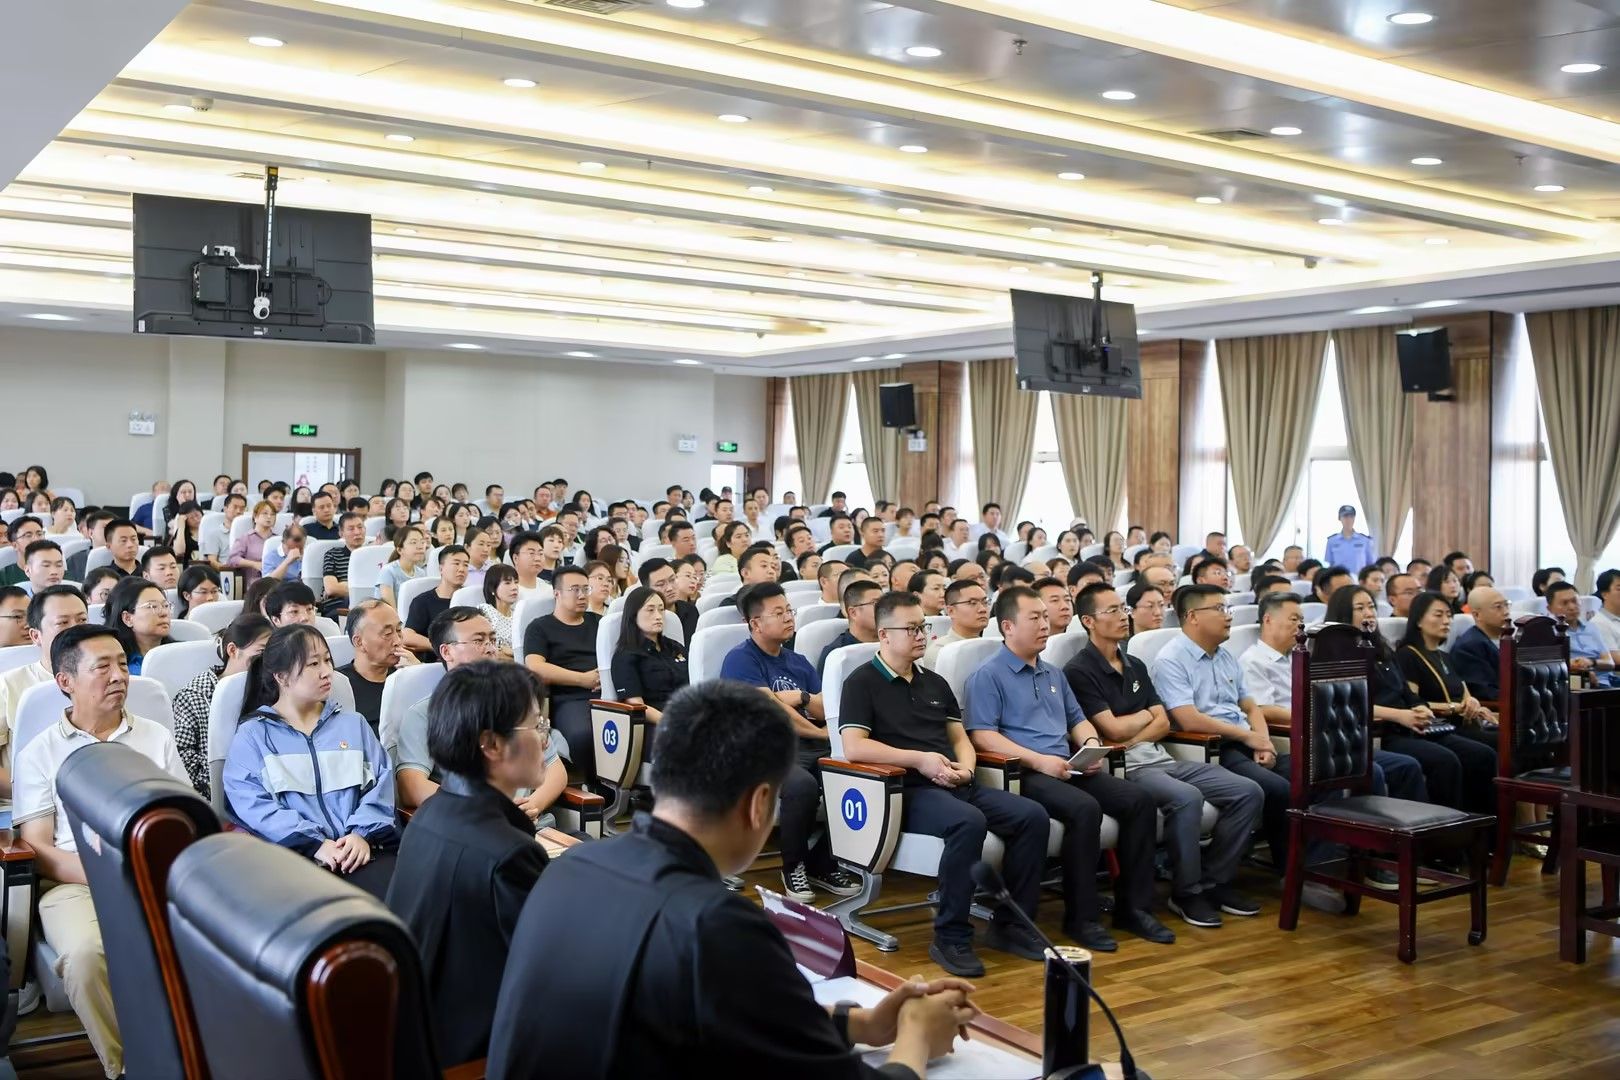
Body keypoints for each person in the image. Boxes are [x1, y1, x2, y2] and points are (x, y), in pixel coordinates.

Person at [486, 680, 975, 1079]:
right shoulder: (718, 925)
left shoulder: (569, 868)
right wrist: (915, 1037)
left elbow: (724, 1011)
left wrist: (862, 1023)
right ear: (761, 803)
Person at [839, 591, 1051, 975]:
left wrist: (967, 770)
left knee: (1032, 816)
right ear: (884, 635)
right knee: (967, 822)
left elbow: (959, 739)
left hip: (955, 782)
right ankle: (951, 937)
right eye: (912, 628)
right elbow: (854, 747)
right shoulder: (861, 682)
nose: (922, 635)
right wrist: (919, 760)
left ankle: (1012, 925)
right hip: (905, 791)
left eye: (924, 627)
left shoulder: (934, 682)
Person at [14, 625, 189, 1078]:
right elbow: (37, 845)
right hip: (74, 882)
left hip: (157, 876)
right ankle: (131, 1068)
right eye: (102, 667)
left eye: (121, 664)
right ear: (65, 682)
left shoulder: (155, 738)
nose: (119, 676)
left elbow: (185, 820)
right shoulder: (40, 752)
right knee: (86, 956)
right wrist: (107, 873)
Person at [964, 585, 1170, 951]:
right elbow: (983, 737)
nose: (1045, 625)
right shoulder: (988, 675)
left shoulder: (1053, 674)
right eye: (1035, 618)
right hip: (1023, 772)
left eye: (1046, 617)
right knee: (1083, 809)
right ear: (1007, 626)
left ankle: (1133, 908)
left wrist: (1090, 745)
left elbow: (1079, 721)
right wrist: (1040, 760)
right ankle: (1081, 918)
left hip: (1068, 766)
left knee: (1139, 801)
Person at [386, 661, 553, 1067]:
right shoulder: (510, 852)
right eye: (536, 727)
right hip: (471, 1053)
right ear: (492, 745)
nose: (545, 741)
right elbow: (544, 976)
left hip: (415, 1030)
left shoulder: (430, 813)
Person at [1066, 583, 1262, 930]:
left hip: (1160, 756)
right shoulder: (1079, 670)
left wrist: (1136, 729)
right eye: (1111, 611)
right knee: (1187, 798)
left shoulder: (1137, 664)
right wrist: (1142, 723)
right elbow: (1108, 728)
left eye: (1122, 609)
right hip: (1127, 766)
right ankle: (1186, 892)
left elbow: (1162, 722)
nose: (1122, 616)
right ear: (1088, 621)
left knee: (1248, 792)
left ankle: (1215, 882)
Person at [224, 623, 396, 898]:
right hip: (293, 860)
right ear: (281, 676)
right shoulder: (253, 735)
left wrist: (361, 834)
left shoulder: (353, 725)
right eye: (313, 664)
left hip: (361, 853)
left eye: (327, 660)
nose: (327, 671)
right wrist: (315, 843)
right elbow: (252, 804)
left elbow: (381, 783)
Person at [718, 582, 861, 901]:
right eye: (778, 613)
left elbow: (825, 705)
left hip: (810, 745)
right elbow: (772, 712)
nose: (788, 618)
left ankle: (821, 862)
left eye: (789, 611)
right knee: (802, 786)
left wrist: (801, 697)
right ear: (755, 623)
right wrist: (820, 732)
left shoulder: (798, 661)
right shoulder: (740, 659)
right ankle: (793, 866)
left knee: (858, 779)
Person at [1151, 584, 1298, 871]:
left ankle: (1307, 863)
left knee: (1310, 774)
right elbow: (1188, 719)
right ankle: (1288, 870)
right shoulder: (1171, 660)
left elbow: (1251, 707)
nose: (1228, 616)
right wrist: (1250, 737)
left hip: (1244, 740)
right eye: (1220, 609)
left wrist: (1263, 742)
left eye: (1228, 608)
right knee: (1277, 789)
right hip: (1213, 748)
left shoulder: (1224, 655)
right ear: (1193, 616)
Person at [1325, 585, 1496, 813]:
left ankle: (1478, 834)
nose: (1369, 612)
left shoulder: (1383, 650)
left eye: (1371, 606)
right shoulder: (1336, 655)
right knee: (1444, 761)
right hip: (1381, 733)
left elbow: (1408, 693)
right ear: (1343, 614)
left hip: (1413, 726)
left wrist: (1420, 707)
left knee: (1481, 754)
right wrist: (1401, 715)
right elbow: (1351, 705)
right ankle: (1439, 836)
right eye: (1360, 608)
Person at [0, 586, 88, 809]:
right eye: (63, 623)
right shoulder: (9, 685)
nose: (76, 631)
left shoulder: (113, 680)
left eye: (82, 620)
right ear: (35, 635)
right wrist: (47, 792)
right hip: (24, 807)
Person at [170, 615, 272, 796]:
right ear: (232, 650)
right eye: (262, 652)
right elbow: (184, 759)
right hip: (216, 794)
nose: (268, 661)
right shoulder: (194, 696)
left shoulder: (274, 690)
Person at [522, 565, 602, 772]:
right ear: (557, 593)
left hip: (607, 694)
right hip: (568, 698)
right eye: (575, 589)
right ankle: (595, 789)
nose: (582, 595)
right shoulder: (539, 627)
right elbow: (535, 667)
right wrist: (582, 679)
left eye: (586, 589)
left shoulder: (599, 622)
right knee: (584, 736)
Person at [1399, 592, 1500, 726]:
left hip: (1462, 724)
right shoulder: (1408, 655)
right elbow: (1412, 703)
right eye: (1438, 615)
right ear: (1418, 620)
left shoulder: (1445, 656)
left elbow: (1466, 697)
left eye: (1448, 615)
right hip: (1435, 726)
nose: (1446, 621)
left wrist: (1475, 705)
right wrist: (1453, 707)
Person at [611, 586, 690, 723]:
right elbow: (636, 704)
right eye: (650, 610)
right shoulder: (625, 655)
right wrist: (673, 723)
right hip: (655, 722)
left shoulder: (675, 647)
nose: (658, 616)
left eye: (661, 609)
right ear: (634, 615)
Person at [339, 599, 418, 730]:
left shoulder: (407, 676)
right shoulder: (338, 685)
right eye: (387, 634)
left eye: (399, 630)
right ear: (359, 642)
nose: (398, 641)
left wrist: (419, 675)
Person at [1548, 580, 1620, 687]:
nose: (1572, 607)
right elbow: (1552, 667)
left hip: (1608, 682)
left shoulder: (1592, 628)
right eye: (1564, 603)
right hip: (1576, 683)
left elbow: (1610, 663)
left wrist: (1592, 662)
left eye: (1575, 601)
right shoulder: (1549, 632)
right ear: (1550, 608)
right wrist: (1581, 672)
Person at [403, 545, 469, 658]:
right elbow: (407, 636)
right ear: (441, 568)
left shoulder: (470, 599)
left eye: (466, 565)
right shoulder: (423, 601)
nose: (462, 569)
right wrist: (441, 647)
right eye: (456, 563)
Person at [102, 576, 172, 675]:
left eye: (165, 605)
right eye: (152, 606)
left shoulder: (179, 653)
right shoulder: (115, 666)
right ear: (127, 618)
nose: (164, 613)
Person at [1452, 585, 1510, 700]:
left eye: (1507, 605)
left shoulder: (1509, 639)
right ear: (1477, 615)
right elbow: (1486, 693)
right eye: (1498, 607)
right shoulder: (1469, 647)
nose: (1506, 612)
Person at [818, 578, 882, 670]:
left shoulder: (892, 642)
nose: (885, 609)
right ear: (853, 613)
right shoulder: (837, 655)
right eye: (875, 603)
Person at [922, 580, 988, 668]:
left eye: (985, 602)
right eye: (972, 603)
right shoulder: (941, 652)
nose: (983, 609)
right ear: (951, 611)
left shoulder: (991, 646)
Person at [376, 524, 430, 608]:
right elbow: (390, 609)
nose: (420, 547)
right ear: (400, 550)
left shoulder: (421, 573)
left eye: (422, 542)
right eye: (413, 542)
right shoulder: (388, 571)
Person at [479, 564, 520, 660]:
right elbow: (485, 650)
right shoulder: (485, 611)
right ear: (492, 588)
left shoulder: (518, 615)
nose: (514, 587)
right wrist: (516, 657)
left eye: (516, 582)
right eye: (507, 583)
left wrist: (511, 652)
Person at [1322, 505, 1375, 574]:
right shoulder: (1332, 541)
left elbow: (1370, 564)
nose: (1348, 520)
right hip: (1339, 579)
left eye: (1351, 517)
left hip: (1358, 580)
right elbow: (1330, 564)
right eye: (1345, 516)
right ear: (1339, 518)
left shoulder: (1365, 540)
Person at [0, 518, 44, 587]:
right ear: (14, 545)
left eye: (39, 534)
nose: (36, 539)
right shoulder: (3, 576)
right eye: (28, 535)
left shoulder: (58, 570)